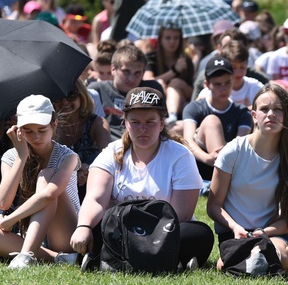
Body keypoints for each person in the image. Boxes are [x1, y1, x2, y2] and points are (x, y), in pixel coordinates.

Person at [70, 86, 214, 270]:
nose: (142, 129)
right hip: (120, 230)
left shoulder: (181, 156)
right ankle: (167, 262)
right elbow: (95, 199)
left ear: (162, 124)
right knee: (96, 228)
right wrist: (84, 226)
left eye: (150, 122)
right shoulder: (110, 154)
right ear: (125, 122)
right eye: (135, 122)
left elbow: (182, 214)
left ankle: (113, 259)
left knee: (199, 233)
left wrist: (144, 236)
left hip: (164, 232)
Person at [0, 95, 79, 268]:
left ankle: (27, 255)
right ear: (18, 129)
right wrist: (22, 157)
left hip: (65, 232)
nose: (36, 137)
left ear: (54, 125)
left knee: (45, 177)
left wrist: (11, 220)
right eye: (28, 131)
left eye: (42, 130)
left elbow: (49, 194)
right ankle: (57, 259)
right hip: (28, 231)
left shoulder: (68, 156)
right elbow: (2, 202)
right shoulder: (11, 156)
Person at [207, 83, 288, 273]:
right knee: (223, 265)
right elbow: (213, 206)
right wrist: (235, 227)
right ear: (254, 115)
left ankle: (287, 260)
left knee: (279, 253)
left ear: (286, 116)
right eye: (264, 109)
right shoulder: (234, 150)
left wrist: (264, 233)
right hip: (235, 233)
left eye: (278, 109)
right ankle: (267, 260)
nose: (271, 114)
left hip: (270, 234)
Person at [182, 57, 252, 180]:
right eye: (218, 84)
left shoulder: (242, 111)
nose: (224, 89)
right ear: (207, 84)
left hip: (230, 165)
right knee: (211, 121)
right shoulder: (194, 107)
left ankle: (223, 179)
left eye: (228, 83)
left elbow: (240, 145)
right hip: (200, 167)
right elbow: (187, 140)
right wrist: (207, 158)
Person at [88, 44, 163, 140]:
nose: (131, 79)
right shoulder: (97, 90)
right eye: (126, 72)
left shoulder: (152, 90)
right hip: (108, 145)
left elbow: (161, 126)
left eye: (137, 73)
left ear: (143, 73)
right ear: (113, 69)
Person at [53, 80, 111, 198]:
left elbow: (108, 156)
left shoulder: (97, 123)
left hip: (91, 187)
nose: (65, 102)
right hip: (58, 188)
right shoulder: (49, 126)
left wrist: (88, 168)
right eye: (58, 97)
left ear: (82, 95)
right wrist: (73, 173)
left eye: (71, 95)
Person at [144, 25, 195, 123]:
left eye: (176, 38)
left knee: (175, 84)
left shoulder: (186, 60)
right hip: (156, 101)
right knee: (159, 83)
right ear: (160, 40)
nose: (172, 42)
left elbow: (192, 93)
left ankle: (172, 117)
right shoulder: (150, 57)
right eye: (168, 38)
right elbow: (148, 82)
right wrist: (174, 70)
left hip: (180, 104)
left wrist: (182, 85)